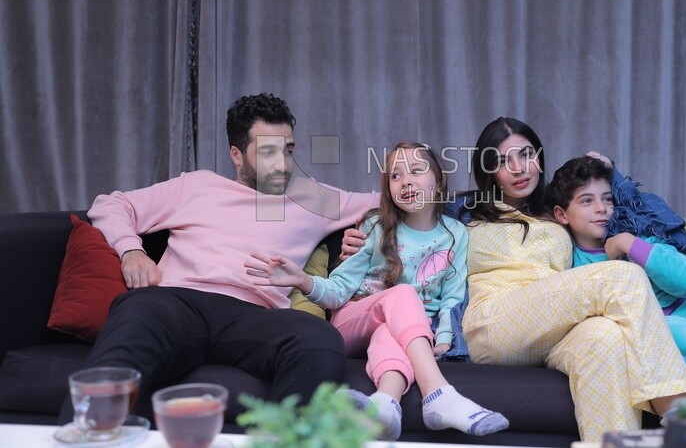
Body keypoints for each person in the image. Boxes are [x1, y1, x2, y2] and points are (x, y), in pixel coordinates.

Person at [60, 92, 378, 423]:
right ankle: (86, 433)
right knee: (137, 315)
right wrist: (131, 251)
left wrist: (410, 192)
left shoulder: (310, 197)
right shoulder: (196, 187)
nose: (283, 164)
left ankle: (278, 443)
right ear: (236, 154)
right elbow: (112, 204)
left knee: (319, 339)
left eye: (289, 150)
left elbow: (388, 200)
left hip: (256, 316)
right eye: (268, 152)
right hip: (178, 304)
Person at [245, 141, 509, 441]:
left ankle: (385, 404)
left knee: (389, 330)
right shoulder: (376, 226)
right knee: (403, 294)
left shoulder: (455, 233)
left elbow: (452, 295)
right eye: (395, 176)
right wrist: (303, 281)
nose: (405, 180)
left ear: (438, 181)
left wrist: (445, 338)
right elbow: (340, 288)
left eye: (416, 171)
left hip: (405, 331)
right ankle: (439, 393)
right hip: (352, 322)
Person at [458, 117, 686, 442]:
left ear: (540, 158)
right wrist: (366, 204)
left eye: (527, 154)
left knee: (606, 336)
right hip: (495, 325)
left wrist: (611, 174)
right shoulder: (468, 210)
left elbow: (628, 212)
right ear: (488, 170)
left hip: (552, 327)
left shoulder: (555, 211)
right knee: (623, 277)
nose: (519, 167)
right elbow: (409, 203)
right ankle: (682, 413)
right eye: (503, 160)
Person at [545, 154, 686, 371]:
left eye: (607, 198)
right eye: (587, 201)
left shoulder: (639, 237)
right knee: (654, 330)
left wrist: (629, 243)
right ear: (561, 215)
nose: (601, 208)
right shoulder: (574, 264)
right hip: (663, 330)